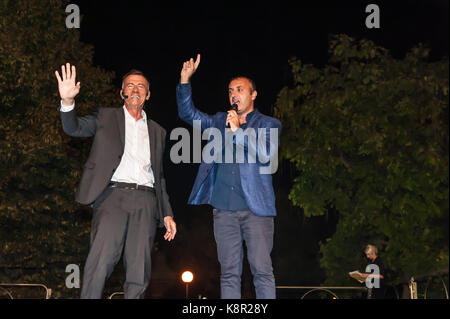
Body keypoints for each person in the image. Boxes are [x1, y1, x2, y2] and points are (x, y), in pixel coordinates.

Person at [55, 63, 176, 299]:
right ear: (122, 92)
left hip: (146, 201)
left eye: (141, 86)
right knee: (99, 263)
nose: (135, 89)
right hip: (112, 198)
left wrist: (167, 213)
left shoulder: (158, 131)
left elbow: (159, 176)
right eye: (129, 85)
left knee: (139, 271)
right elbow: (74, 128)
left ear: (148, 94)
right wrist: (67, 102)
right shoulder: (105, 116)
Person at [175, 54, 281, 299]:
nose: (234, 94)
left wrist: (238, 130)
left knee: (262, 271)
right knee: (229, 273)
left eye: (240, 89)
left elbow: (266, 153)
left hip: (257, 211)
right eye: (231, 90)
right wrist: (184, 81)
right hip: (224, 210)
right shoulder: (218, 121)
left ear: (253, 95)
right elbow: (188, 115)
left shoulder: (269, 124)